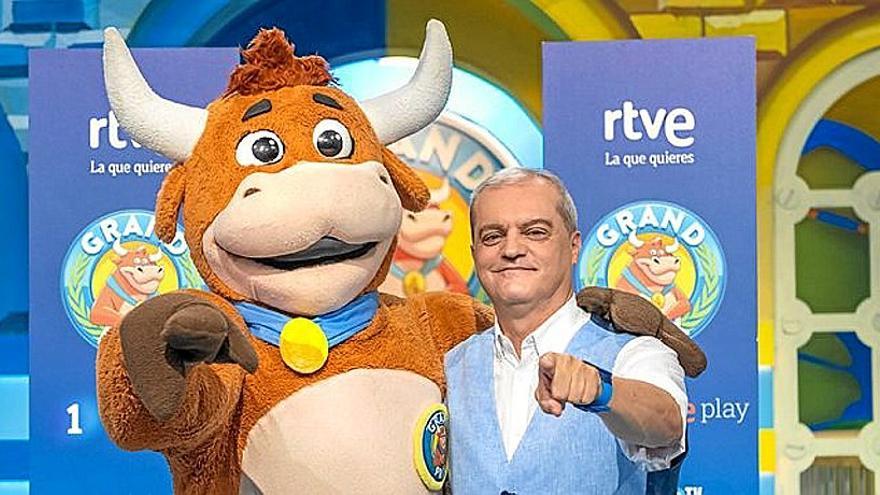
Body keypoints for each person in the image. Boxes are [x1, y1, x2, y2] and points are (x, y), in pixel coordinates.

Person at [445, 168, 689, 494]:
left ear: (574, 247)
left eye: (535, 232)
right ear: (474, 253)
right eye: (492, 236)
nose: (511, 249)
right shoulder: (450, 366)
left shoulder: (636, 352)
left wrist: (601, 391)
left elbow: (667, 424)